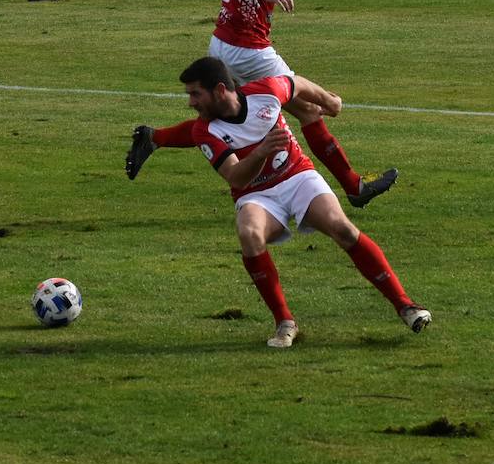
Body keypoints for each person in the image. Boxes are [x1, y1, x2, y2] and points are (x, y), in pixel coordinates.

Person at [125, 0, 396, 209]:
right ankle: (354, 187)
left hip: (227, 45)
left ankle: (153, 137)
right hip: (249, 53)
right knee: (309, 110)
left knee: (222, 115)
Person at [173, 56, 430, 348]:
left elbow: (296, 85)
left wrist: (329, 102)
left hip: (297, 176)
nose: (191, 103)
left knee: (341, 228)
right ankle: (285, 323)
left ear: (220, 90)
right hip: (255, 194)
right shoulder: (204, 131)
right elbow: (236, 178)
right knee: (249, 234)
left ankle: (406, 306)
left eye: (196, 94)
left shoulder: (266, 91)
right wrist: (260, 153)